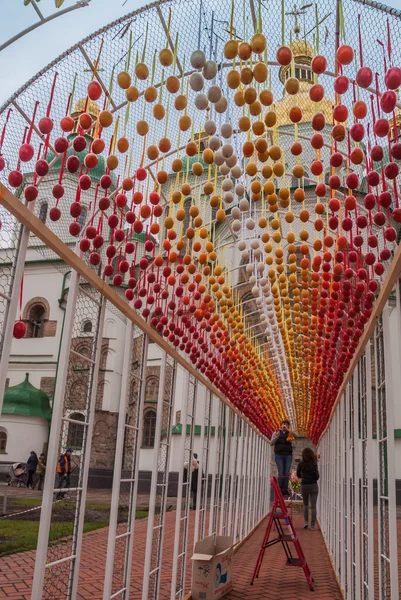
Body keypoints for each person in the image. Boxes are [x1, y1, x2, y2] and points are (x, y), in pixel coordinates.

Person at [270, 420, 298, 496]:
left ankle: (285, 488)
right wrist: (277, 437)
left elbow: (297, 436)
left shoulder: (290, 433)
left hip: (288, 455)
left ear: (288, 426)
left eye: (286, 425)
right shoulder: (276, 432)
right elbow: (271, 443)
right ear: (281, 425)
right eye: (283, 424)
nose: (284, 426)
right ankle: (280, 489)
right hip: (279, 455)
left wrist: (289, 430)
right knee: (281, 472)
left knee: (286, 472)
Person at [296, 448, 320, 531]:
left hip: (304, 485)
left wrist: (302, 477)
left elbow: (298, 474)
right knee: (313, 506)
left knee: (305, 505)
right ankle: (312, 525)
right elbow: (317, 476)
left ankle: (306, 522)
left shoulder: (301, 464)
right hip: (313, 485)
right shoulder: (314, 463)